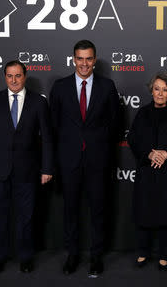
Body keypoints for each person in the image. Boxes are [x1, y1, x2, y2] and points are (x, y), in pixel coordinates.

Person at [49, 40, 120, 278]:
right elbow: (54, 125)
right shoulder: (59, 87)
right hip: (68, 161)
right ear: (73, 59)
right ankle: (72, 255)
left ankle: (96, 256)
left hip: (97, 161)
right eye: (80, 58)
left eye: (89, 58)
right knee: (70, 210)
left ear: (95, 60)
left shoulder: (107, 86)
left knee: (98, 210)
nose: (84, 63)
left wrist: (99, 146)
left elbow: (115, 123)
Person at [0, 60, 54, 274]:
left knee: (26, 217)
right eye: (9, 76)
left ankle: (26, 257)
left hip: (28, 171)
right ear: (5, 77)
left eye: (18, 75)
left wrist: (47, 168)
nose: (14, 80)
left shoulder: (38, 102)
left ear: (25, 76)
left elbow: (47, 138)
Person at [127, 72, 167, 271]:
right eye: (157, 89)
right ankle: (144, 252)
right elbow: (133, 139)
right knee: (144, 212)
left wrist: (166, 154)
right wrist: (149, 154)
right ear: (151, 90)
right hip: (147, 172)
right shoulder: (143, 112)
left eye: (164, 89)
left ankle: (164, 255)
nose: (160, 93)